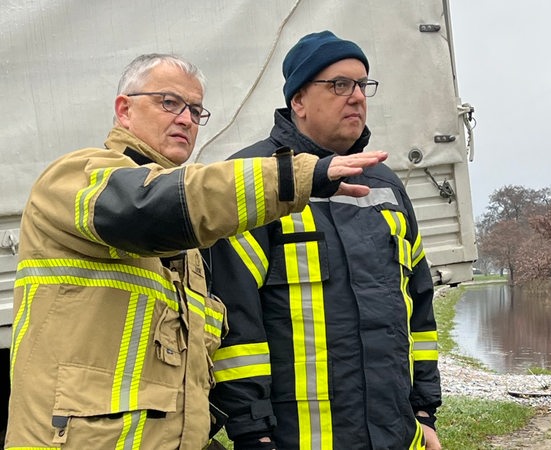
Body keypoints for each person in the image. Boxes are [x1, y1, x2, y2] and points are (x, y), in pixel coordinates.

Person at [5, 53, 387, 450]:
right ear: (124, 110)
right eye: (168, 103)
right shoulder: (76, 177)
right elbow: (148, 207)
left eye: (195, 110)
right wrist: (299, 175)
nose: (186, 119)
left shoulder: (187, 249)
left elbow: (184, 378)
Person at [206, 31, 442, 450]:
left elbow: (418, 308)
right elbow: (234, 326)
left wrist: (424, 411)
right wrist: (252, 431)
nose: (356, 97)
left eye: (362, 84)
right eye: (339, 85)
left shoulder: (385, 186)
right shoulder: (254, 181)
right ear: (298, 100)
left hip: (395, 437)